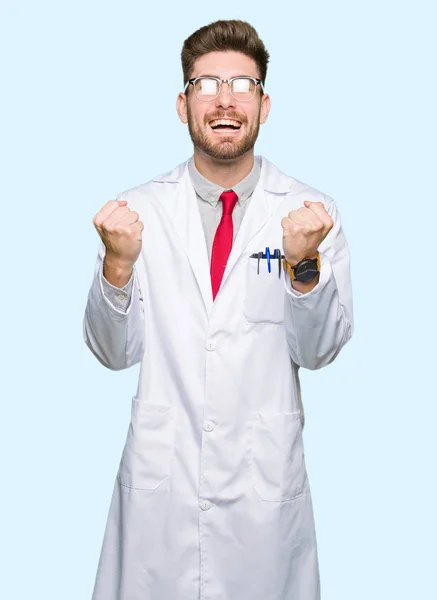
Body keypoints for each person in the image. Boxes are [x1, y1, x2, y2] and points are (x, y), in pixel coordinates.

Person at [84, 19, 353, 600]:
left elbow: (320, 350)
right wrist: (117, 268)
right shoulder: (137, 212)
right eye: (206, 84)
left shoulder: (310, 211)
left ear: (265, 103)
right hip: (164, 491)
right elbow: (111, 353)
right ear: (183, 105)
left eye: (242, 84)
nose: (225, 99)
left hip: (262, 496)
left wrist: (303, 265)